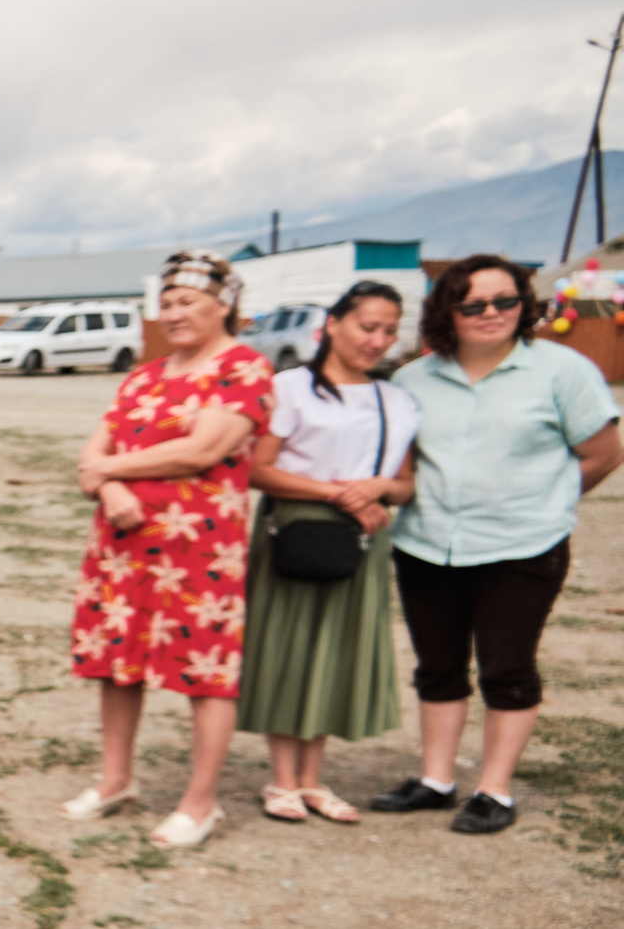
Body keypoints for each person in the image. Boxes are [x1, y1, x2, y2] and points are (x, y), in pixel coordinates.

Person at [368, 254, 621, 834]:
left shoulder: (563, 371)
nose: (492, 313)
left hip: (523, 547)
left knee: (507, 669)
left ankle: (494, 791)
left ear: (524, 305)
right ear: (447, 312)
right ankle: (436, 780)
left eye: (506, 301)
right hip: (427, 545)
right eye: (474, 304)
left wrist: (548, 499)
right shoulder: (413, 380)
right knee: (438, 667)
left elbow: (604, 453)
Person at [64, 251, 273, 848]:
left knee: (204, 669)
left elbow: (202, 450)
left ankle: (200, 802)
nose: (173, 314)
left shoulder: (244, 369)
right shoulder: (144, 376)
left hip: (198, 549)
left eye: (187, 302)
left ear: (223, 305)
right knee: (116, 661)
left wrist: (109, 471)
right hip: (123, 545)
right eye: (167, 303)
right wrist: (109, 487)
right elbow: (92, 456)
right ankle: (115, 780)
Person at [236, 282, 420, 821]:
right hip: (296, 529)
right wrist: (340, 494)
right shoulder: (290, 388)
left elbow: (405, 483)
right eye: (368, 326)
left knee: (334, 652)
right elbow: (258, 469)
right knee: (287, 645)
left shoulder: (396, 401)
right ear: (333, 325)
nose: (377, 340)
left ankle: (313, 780)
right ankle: (281, 780)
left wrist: (379, 489)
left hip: (360, 538)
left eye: (389, 331)